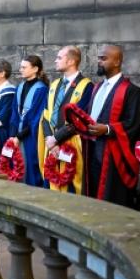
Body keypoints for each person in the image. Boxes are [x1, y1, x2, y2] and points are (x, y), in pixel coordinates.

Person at [83, 45, 140, 206]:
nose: (99, 61)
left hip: (113, 155)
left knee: (111, 197)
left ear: (117, 61)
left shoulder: (132, 91)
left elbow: (134, 124)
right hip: (92, 150)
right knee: (93, 192)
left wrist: (108, 129)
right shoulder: (97, 88)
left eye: (103, 58)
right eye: (98, 58)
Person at [37, 46, 93, 193]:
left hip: (71, 144)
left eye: (59, 58)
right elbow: (45, 116)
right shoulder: (54, 85)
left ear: (71, 61)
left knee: (71, 187)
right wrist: (50, 139)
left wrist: (56, 138)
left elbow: (79, 119)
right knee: (50, 187)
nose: (55, 61)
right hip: (51, 146)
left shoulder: (87, 86)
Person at [8, 55, 49, 187]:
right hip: (17, 136)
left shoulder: (41, 89)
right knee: (17, 167)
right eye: (21, 67)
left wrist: (19, 136)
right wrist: (13, 135)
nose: (21, 69)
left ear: (35, 69)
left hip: (31, 136)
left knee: (30, 168)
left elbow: (36, 118)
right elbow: (14, 112)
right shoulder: (20, 87)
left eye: (24, 67)